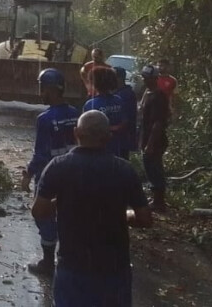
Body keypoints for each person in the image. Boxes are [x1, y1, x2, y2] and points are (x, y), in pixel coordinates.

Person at [33, 110, 153, 306]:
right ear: (108, 138)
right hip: (113, 268)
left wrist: (62, 202)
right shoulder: (124, 170)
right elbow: (145, 219)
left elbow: (39, 211)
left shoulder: (58, 166)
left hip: (72, 267)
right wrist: (127, 215)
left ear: (76, 133)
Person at [22, 68, 80, 276]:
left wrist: (28, 174)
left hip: (50, 176)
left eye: (42, 89)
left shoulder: (45, 119)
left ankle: (48, 261)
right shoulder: (75, 113)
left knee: (43, 215)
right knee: (68, 213)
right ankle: (68, 258)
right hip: (73, 173)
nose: (40, 93)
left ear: (50, 90)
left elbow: (41, 155)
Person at [138, 64, 172, 212]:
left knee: (154, 167)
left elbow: (158, 122)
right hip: (146, 136)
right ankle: (156, 197)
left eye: (147, 78)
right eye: (144, 78)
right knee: (149, 166)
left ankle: (159, 201)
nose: (145, 81)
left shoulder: (158, 96)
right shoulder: (148, 93)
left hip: (155, 139)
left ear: (154, 79)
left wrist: (150, 144)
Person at [82, 67, 127, 158]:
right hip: (117, 147)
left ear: (94, 83)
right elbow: (124, 122)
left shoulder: (91, 104)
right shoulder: (118, 100)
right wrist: (114, 128)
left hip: (97, 149)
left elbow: (86, 129)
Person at [113, 66, 139, 158]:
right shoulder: (115, 93)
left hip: (123, 137)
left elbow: (127, 119)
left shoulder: (127, 94)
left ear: (119, 78)